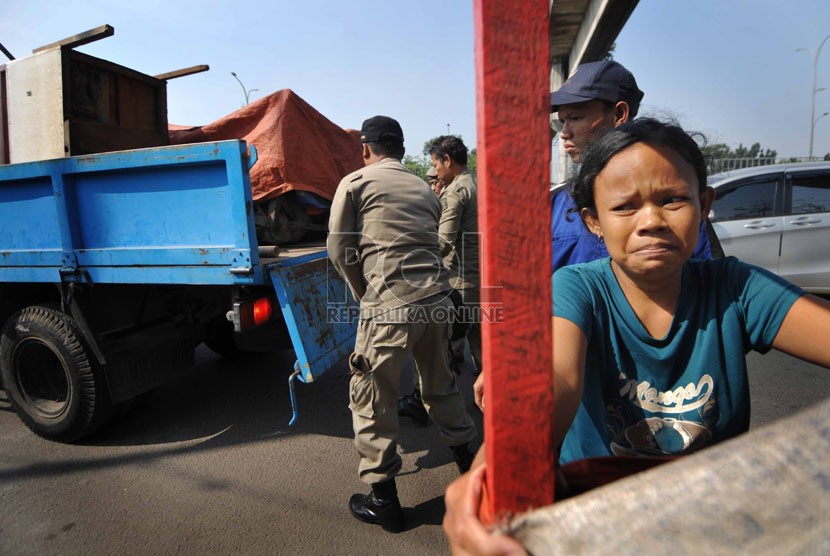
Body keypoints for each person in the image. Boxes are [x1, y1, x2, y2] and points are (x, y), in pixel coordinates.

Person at [443, 118, 830, 553]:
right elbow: (555, 381)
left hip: (710, 529)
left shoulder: (736, 288)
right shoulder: (578, 288)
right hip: (593, 525)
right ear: (593, 222)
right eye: (625, 207)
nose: (651, 221)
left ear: (704, 204)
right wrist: (492, 472)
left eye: (673, 200)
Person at [327, 115, 477, 534]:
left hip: (390, 306)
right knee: (441, 386)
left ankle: (384, 502)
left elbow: (339, 250)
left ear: (365, 149)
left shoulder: (356, 182)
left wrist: (365, 295)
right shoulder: (424, 187)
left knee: (372, 397)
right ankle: (474, 474)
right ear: (400, 147)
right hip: (436, 301)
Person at [549, 60, 721, 273]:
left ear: (619, 114)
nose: (565, 132)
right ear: (591, 219)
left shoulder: (683, 204)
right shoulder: (553, 206)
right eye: (562, 122)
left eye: (575, 118)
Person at [399, 135, 482, 425]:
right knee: (482, 348)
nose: (436, 170)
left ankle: (422, 403)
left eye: (436, 163)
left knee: (436, 347)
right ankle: (494, 402)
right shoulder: (480, 184)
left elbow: (443, 241)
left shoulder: (456, 191)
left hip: (458, 282)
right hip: (482, 280)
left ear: (447, 160)